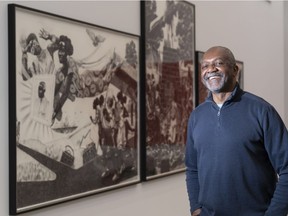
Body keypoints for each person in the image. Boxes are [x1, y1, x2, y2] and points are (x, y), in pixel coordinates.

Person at [185, 46, 288, 216]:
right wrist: (196, 208)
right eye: (205, 66)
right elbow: (192, 168)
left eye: (218, 63)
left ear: (235, 70)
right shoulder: (197, 116)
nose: (211, 69)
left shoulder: (261, 111)